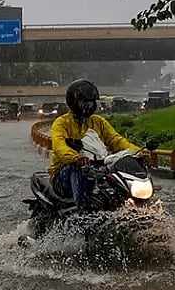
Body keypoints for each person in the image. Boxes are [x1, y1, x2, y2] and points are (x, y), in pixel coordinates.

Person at [48, 79, 141, 208]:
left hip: (98, 169)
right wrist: (75, 158)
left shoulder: (98, 121)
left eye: (91, 102)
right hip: (64, 175)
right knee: (79, 170)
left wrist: (138, 152)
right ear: (74, 103)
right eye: (84, 102)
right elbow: (59, 146)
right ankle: (82, 214)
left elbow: (116, 140)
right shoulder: (61, 123)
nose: (88, 106)